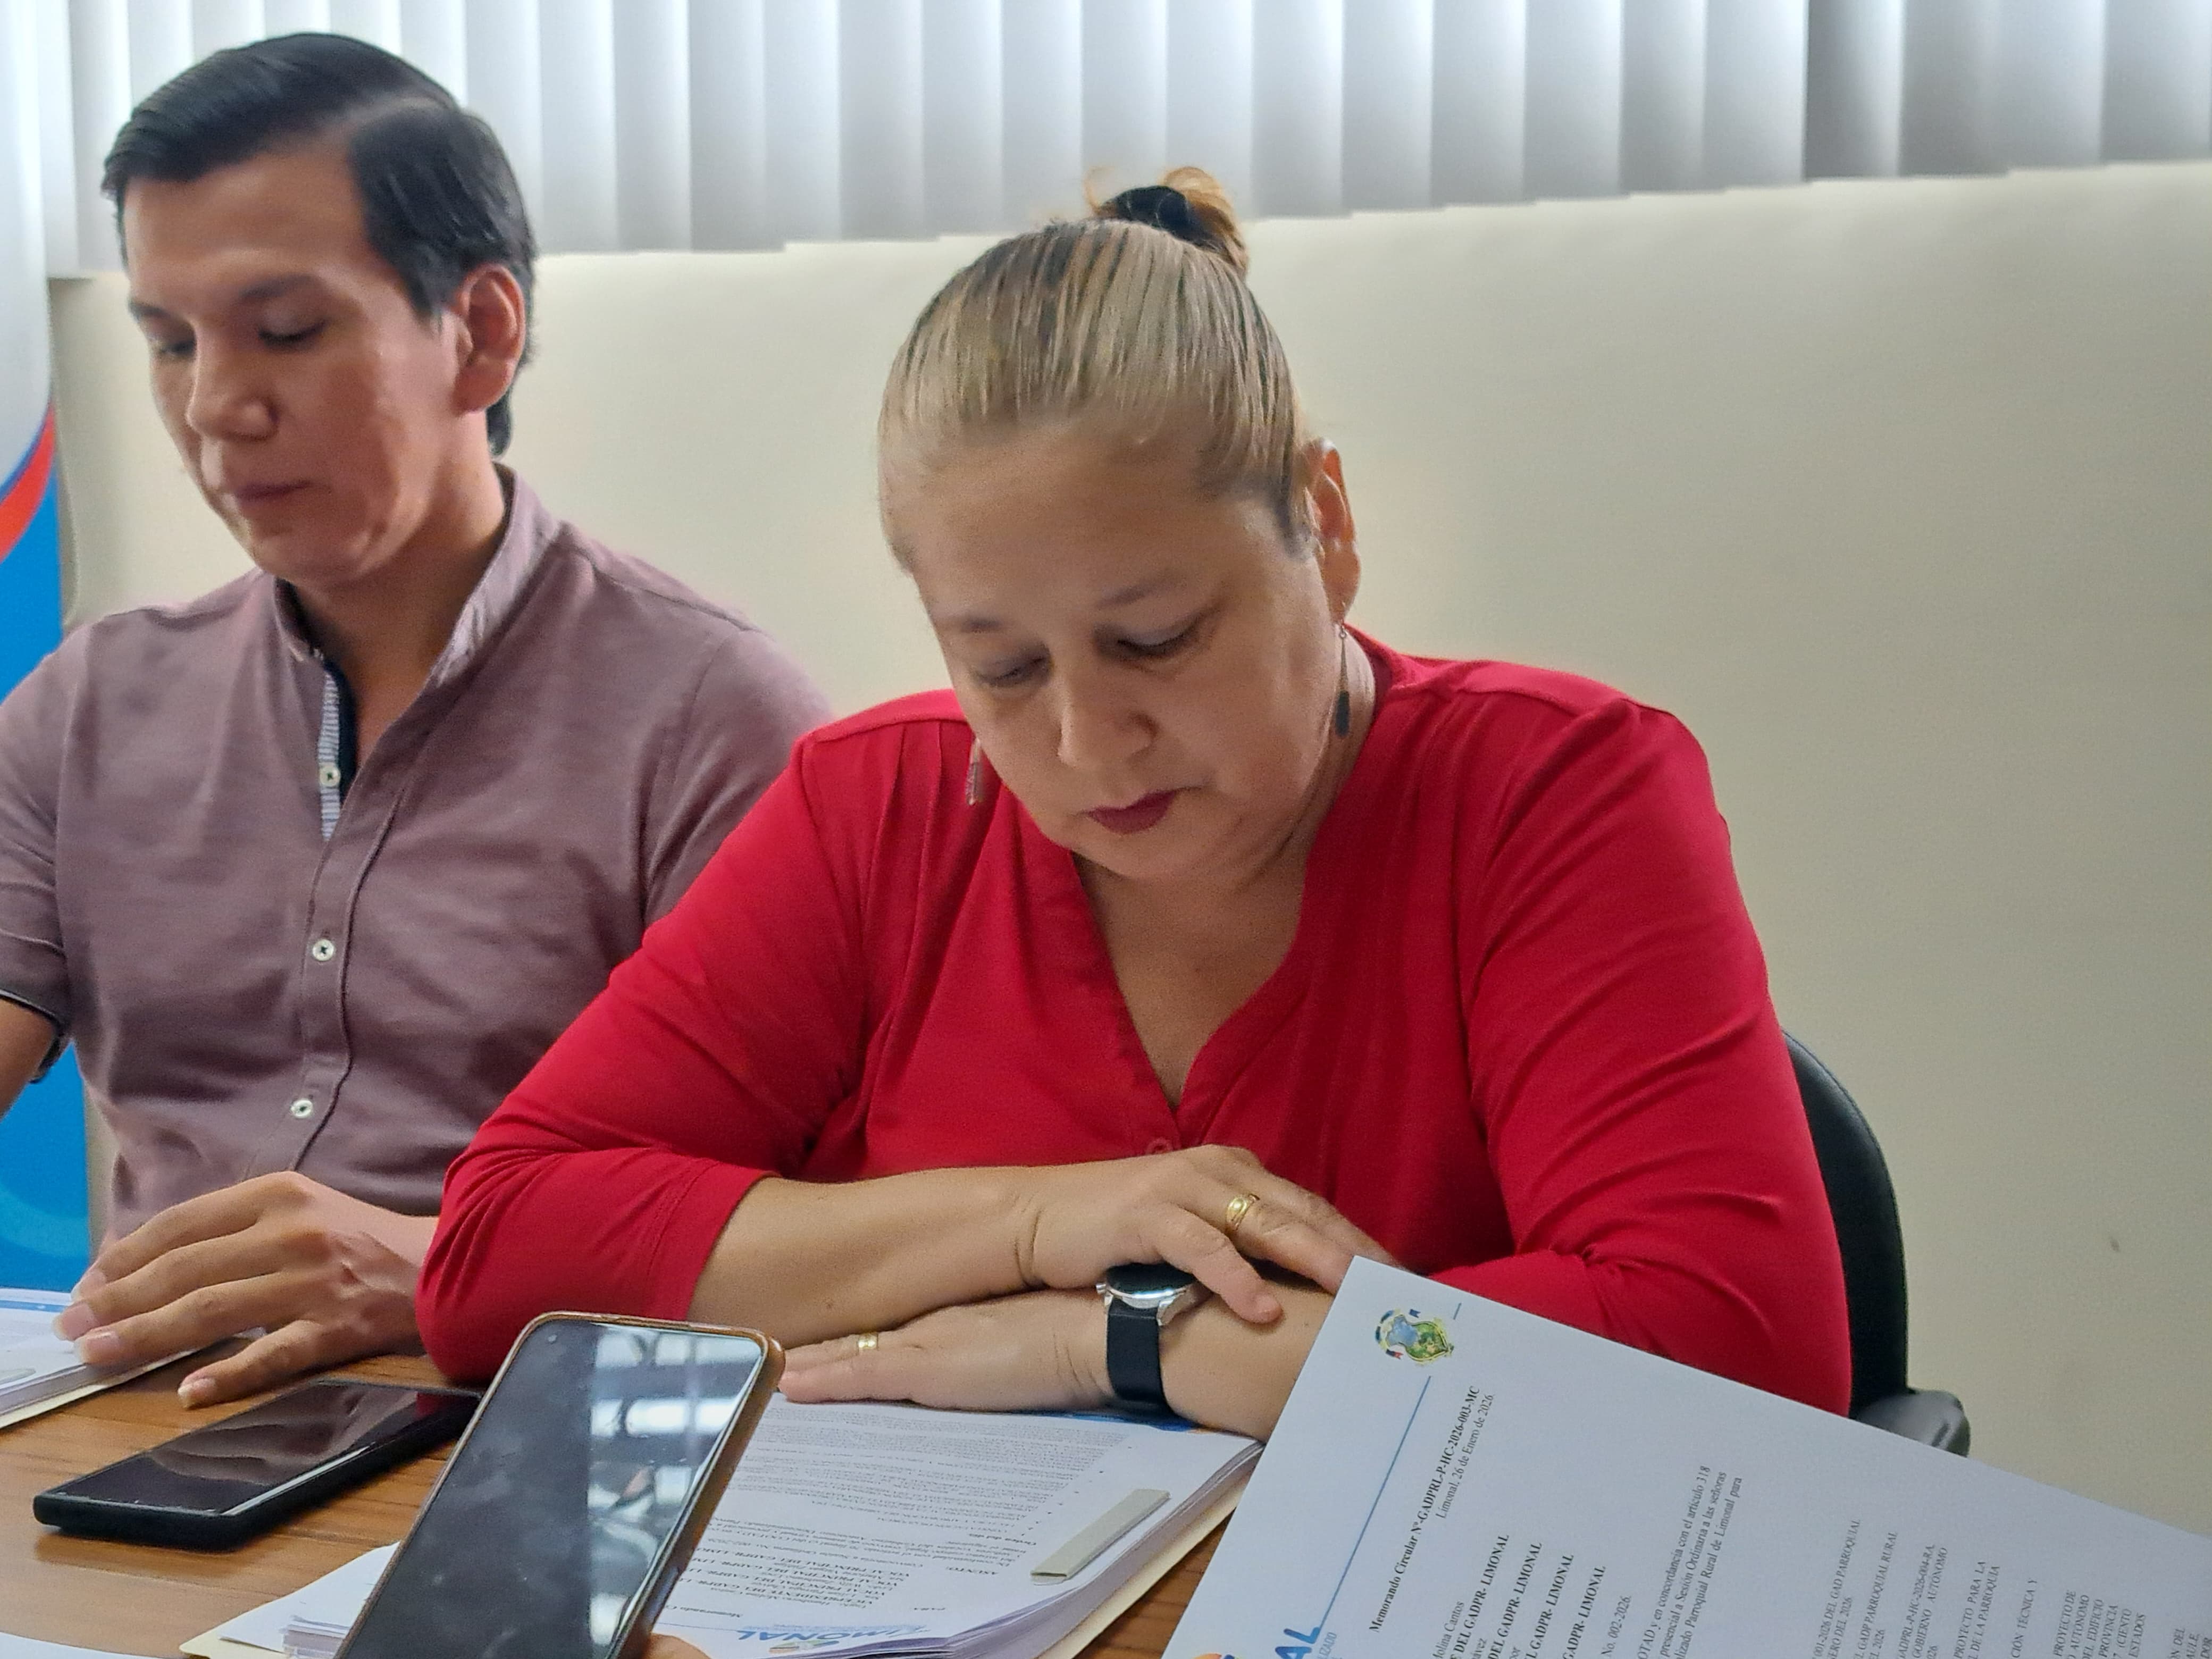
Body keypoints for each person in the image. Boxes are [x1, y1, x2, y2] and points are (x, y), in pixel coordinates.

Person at [419, 171, 1850, 1438]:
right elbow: (498, 1256)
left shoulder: (1548, 789)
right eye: (1002, 666)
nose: (1088, 745)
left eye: (1157, 640)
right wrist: (1040, 1218)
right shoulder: (881, 808)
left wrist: (1120, 1341)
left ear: (1325, 528)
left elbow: (1737, 1351)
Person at [0, 35, 827, 1407]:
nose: (215, 406)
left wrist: (445, 1268)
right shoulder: (89, 706)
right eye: (170, 343)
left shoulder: (708, 717)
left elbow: (797, 1221)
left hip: (534, 1424)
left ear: (481, 333)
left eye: (287, 331)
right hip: (135, 1425)